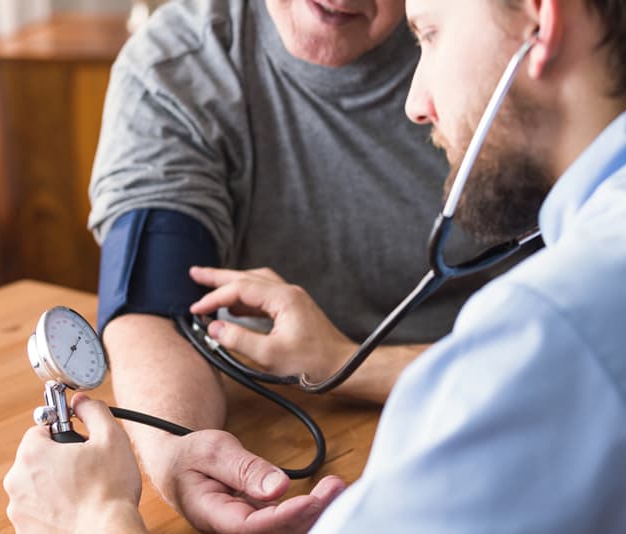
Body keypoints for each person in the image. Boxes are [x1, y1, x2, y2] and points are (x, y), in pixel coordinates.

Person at [5, 0, 626, 532]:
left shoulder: (544, 347)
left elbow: (553, 373)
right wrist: (179, 451)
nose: (419, 105)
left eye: (431, 31)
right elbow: (150, 300)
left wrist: (93, 518)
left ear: (541, 24)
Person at [86, 0, 534, 531]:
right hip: (292, 429)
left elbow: (576, 345)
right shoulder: (178, 63)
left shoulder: (497, 41)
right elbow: (153, 305)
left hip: (509, 419)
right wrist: (182, 454)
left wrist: (343, 365)